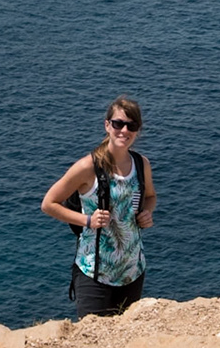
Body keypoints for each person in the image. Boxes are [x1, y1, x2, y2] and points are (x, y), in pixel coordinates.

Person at [41, 96, 156, 317]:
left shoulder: (141, 164)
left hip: (133, 271)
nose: (124, 130)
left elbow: (150, 196)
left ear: (138, 130)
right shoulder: (88, 167)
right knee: (94, 341)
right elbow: (48, 203)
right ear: (107, 125)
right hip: (95, 274)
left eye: (131, 125)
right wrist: (87, 220)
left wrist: (147, 212)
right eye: (118, 123)